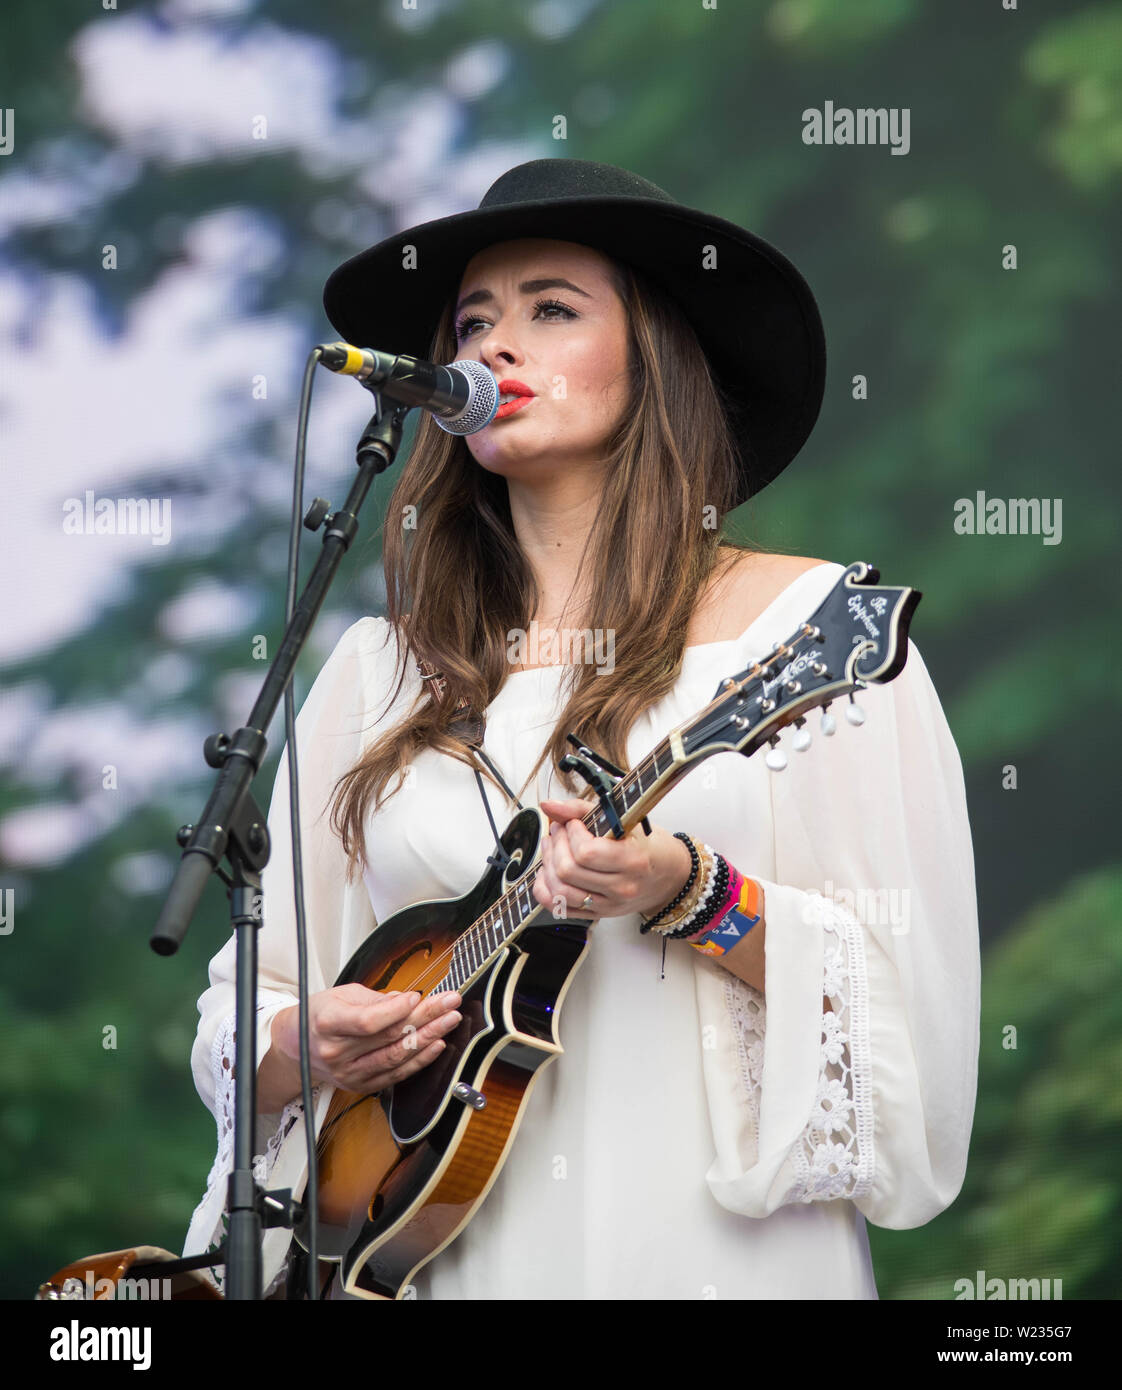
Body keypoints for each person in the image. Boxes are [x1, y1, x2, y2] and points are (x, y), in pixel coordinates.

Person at [182, 159, 980, 1300]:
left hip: (713, 1255)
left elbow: (908, 1004)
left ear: (654, 356)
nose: (495, 347)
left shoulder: (814, 632)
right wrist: (297, 1047)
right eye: (472, 321)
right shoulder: (378, 674)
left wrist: (690, 888)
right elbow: (244, 1003)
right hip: (438, 1252)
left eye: (552, 310)